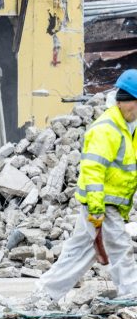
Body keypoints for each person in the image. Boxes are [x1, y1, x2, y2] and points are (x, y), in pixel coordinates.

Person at [35, 69, 137, 301]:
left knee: (79, 252)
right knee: (120, 249)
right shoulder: (107, 130)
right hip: (103, 204)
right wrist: (96, 208)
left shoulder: (128, 129)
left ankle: (44, 295)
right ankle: (131, 296)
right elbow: (92, 171)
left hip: (107, 204)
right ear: (124, 102)